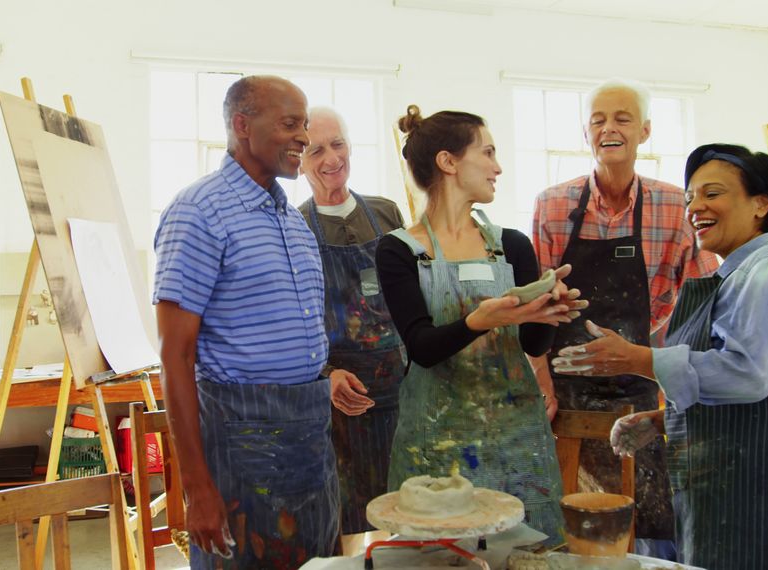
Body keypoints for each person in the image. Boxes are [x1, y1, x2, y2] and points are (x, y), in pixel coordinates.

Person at [554, 143, 768, 569]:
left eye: (712, 193)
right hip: (733, 488)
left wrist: (638, 359)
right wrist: (664, 420)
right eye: (690, 197)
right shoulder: (734, 276)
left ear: (761, 204)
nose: (695, 207)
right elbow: (746, 390)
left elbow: (748, 374)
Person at [376, 105, 586, 542]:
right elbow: (422, 347)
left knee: (528, 555)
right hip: (437, 448)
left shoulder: (512, 245)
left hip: (516, 439)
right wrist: (477, 321)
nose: (498, 167)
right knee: (443, 559)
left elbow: (532, 343)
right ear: (448, 162)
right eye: (487, 153)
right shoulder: (399, 250)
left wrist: (548, 309)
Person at [154, 75, 339, 569]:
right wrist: (197, 489)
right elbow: (175, 356)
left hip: (310, 440)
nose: (304, 137)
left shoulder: (292, 222)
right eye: (289, 124)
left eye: (304, 124)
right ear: (241, 125)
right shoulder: (198, 212)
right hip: (240, 444)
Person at [530, 78, 718, 554]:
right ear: (585, 133)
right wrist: (542, 382)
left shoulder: (673, 206)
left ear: (645, 131)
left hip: (640, 388)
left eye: (622, 119)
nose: (608, 129)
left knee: (643, 522)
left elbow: (702, 301)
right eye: (597, 121)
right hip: (566, 391)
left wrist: (675, 380)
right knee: (570, 525)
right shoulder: (552, 205)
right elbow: (534, 311)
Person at [298, 106, 407, 554]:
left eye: (337, 144)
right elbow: (294, 322)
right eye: (315, 151)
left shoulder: (386, 213)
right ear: (298, 162)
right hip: (336, 397)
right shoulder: (295, 227)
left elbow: (411, 297)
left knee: (398, 513)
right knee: (340, 520)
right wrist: (324, 377)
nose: (331, 159)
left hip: (396, 389)